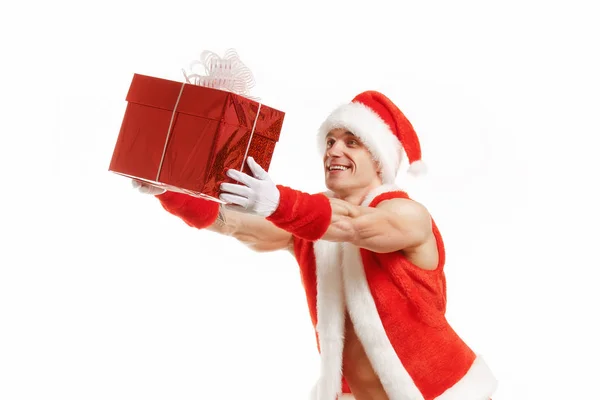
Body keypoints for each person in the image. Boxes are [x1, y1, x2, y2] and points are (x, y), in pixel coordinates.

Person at [132, 90, 498, 400]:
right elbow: (235, 225)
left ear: (379, 159)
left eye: (351, 142)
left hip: (442, 392)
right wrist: (169, 191)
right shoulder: (307, 224)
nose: (334, 150)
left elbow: (354, 226)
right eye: (330, 141)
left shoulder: (407, 213)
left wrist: (279, 203)